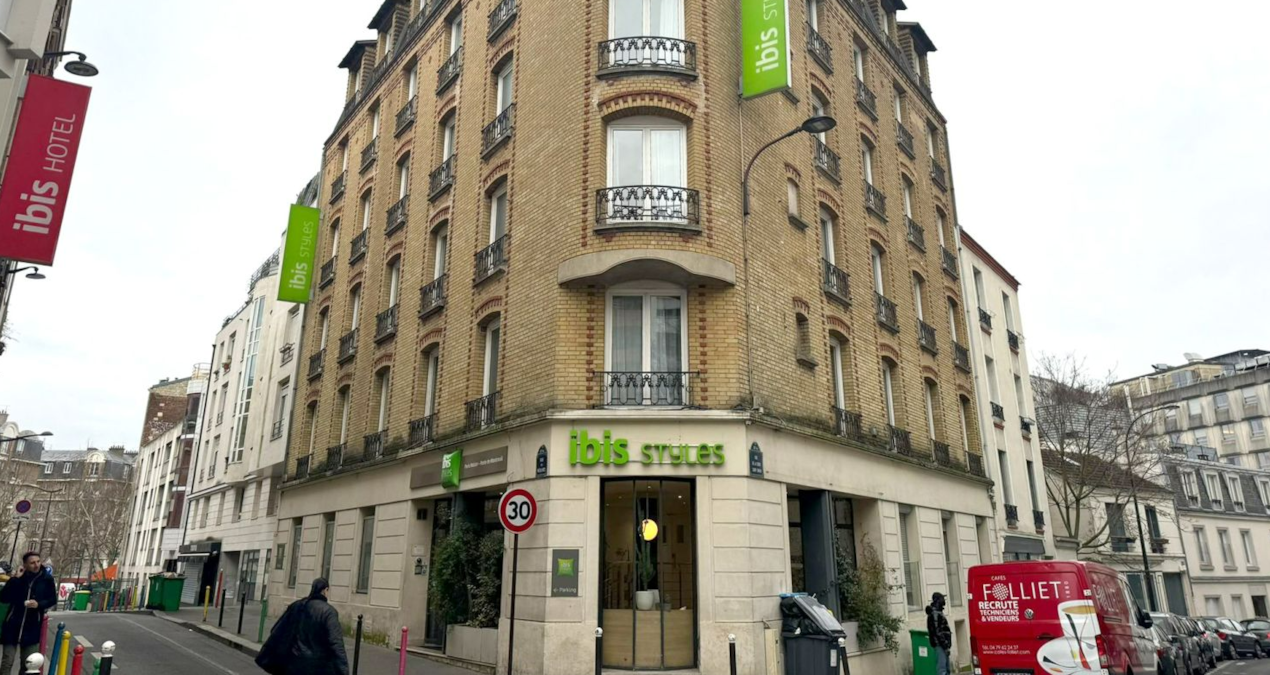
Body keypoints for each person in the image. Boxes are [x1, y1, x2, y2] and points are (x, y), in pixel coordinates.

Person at [256, 578, 349, 675]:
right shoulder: (329, 612)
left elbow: (277, 630)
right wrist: (343, 671)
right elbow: (336, 644)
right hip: (317, 667)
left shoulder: (297, 605)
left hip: (293, 664)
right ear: (325, 590)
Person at [0, 552, 56, 675]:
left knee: (28, 663)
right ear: (25, 565)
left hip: (32, 626)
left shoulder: (46, 579)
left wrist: (39, 604)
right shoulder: (19, 578)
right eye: (32, 563)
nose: (36, 565)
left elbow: (52, 599)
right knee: (7, 661)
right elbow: (4, 597)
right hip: (12, 624)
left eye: (38, 561)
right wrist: (15, 579)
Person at [925, 591, 953, 675]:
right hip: (940, 644)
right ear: (937, 600)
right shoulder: (935, 614)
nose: (943, 600)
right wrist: (945, 645)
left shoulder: (938, 612)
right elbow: (938, 632)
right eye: (942, 598)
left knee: (946, 669)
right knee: (942, 669)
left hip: (942, 644)